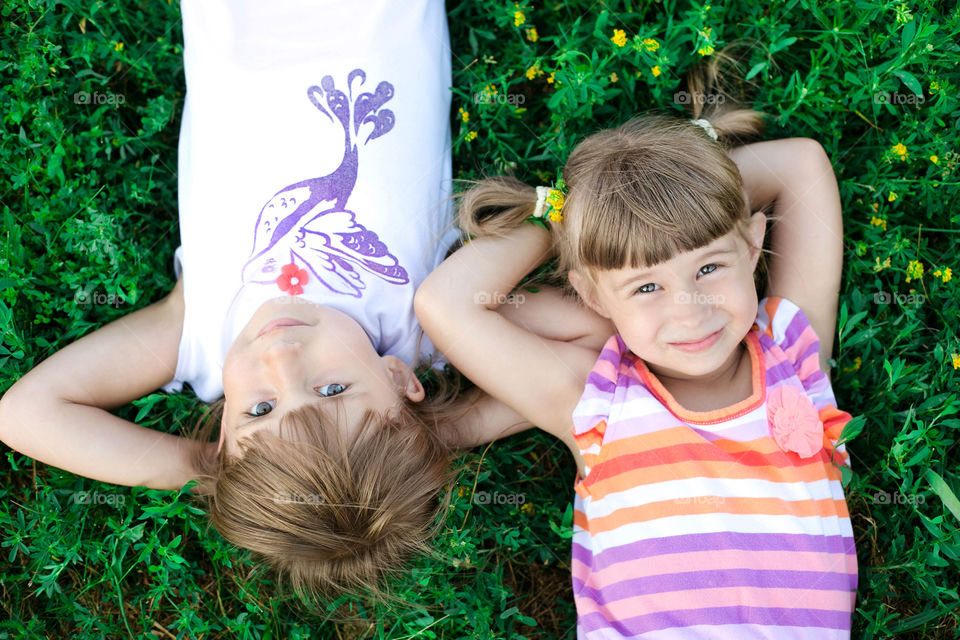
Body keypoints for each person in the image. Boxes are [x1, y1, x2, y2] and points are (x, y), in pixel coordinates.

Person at [0, 0, 576, 599]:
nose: (281, 358)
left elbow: (24, 414)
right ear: (399, 378)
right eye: (332, 390)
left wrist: (215, 470)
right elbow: (593, 341)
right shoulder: (429, 329)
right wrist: (442, 433)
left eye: (258, 410)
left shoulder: (198, 337)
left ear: (223, 435)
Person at [415, 57, 857, 636]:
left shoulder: (791, 353)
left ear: (753, 246)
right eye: (646, 287)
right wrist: (575, 219)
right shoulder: (594, 403)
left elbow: (801, 164)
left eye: (709, 267)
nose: (687, 309)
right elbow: (447, 304)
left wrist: (687, 186)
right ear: (594, 297)